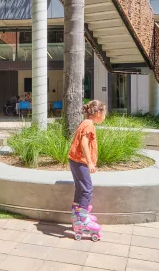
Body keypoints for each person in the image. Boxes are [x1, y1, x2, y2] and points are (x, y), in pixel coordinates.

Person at [68, 100, 105, 240]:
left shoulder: (85, 123)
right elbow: (84, 143)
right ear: (98, 113)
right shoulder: (89, 124)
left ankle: (76, 215)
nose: (105, 116)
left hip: (75, 160)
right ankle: (82, 219)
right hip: (81, 161)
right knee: (87, 189)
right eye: (104, 113)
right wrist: (90, 163)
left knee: (80, 189)